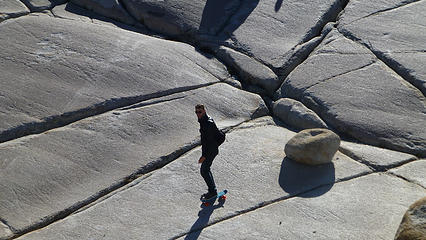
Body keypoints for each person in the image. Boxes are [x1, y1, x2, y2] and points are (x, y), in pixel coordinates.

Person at [195, 104, 219, 200]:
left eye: (200, 112)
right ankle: (212, 190)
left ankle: (213, 191)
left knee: (204, 170)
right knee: (206, 169)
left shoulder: (207, 124)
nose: (198, 114)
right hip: (212, 149)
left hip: (211, 150)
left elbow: (208, 142)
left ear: (204, 111)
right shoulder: (205, 120)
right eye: (196, 112)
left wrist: (204, 156)